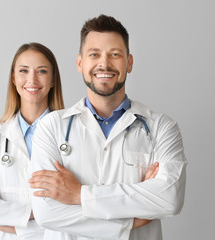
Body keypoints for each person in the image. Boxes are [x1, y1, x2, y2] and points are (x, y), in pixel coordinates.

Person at [29, 15, 187, 240]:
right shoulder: (52, 127)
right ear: (80, 63)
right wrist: (135, 216)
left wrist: (79, 194)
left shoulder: (162, 127)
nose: (104, 64)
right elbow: (47, 212)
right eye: (94, 54)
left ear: (129, 62)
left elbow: (169, 198)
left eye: (115, 54)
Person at [0, 42, 65, 240]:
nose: (32, 79)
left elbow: (75, 213)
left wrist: (7, 219)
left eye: (42, 71)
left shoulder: (69, 137)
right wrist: (36, 214)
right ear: (13, 78)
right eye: (23, 71)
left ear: (53, 80)